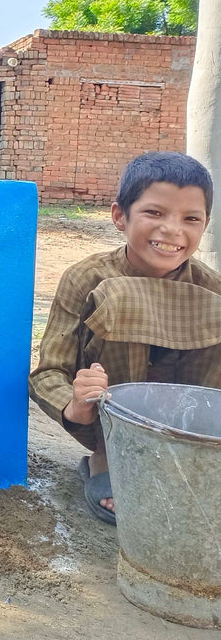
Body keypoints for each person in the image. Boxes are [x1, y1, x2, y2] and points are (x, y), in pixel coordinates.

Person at [29, 151, 221, 524]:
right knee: (125, 300)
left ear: (205, 225)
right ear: (120, 216)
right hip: (109, 422)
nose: (172, 230)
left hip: (183, 426)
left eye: (190, 219)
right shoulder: (85, 278)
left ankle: (187, 463)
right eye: (155, 213)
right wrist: (75, 403)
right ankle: (107, 461)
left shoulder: (212, 289)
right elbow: (48, 372)